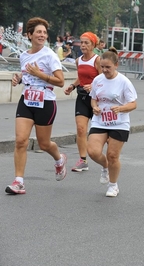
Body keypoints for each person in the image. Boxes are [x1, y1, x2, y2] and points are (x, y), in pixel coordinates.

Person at [5, 17, 67, 195]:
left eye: (44, 33)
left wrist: (40, 74)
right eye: (38, 32)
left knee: (44, 143)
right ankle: (19, 182)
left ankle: (59, 159)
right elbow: (27, 76)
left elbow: (61, 81)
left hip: (45, 101)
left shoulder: (50, 55)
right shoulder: (24, 55)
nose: (42, 35)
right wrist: (19, 78)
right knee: (21, 141)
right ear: (29, 35)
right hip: (27, 100)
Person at [87, 47, 138, 197]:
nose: (104, 70)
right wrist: (95, 107)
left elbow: (133, 104)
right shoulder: (97, 80)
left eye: (108, 67)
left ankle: (113, 185)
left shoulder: (124, 82)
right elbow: (93, 99)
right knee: (93, 152)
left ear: (116, 65)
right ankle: (105, 167)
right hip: (100, 121)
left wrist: (121, 109)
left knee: (113, 155)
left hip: (119, 123)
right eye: (102, 67)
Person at [64, 32, 102, 172]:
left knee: (104, 133)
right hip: (82, 97)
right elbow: (80, 77)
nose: (83, 45)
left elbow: (104, 78)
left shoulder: (97, 60)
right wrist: (72, 86)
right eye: (82, 42)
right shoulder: (78, 60)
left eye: (87, 43)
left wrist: (93, 86)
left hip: (97, 99)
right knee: (81, 129)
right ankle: (83, 160)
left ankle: (111, 156)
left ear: (93, 45)